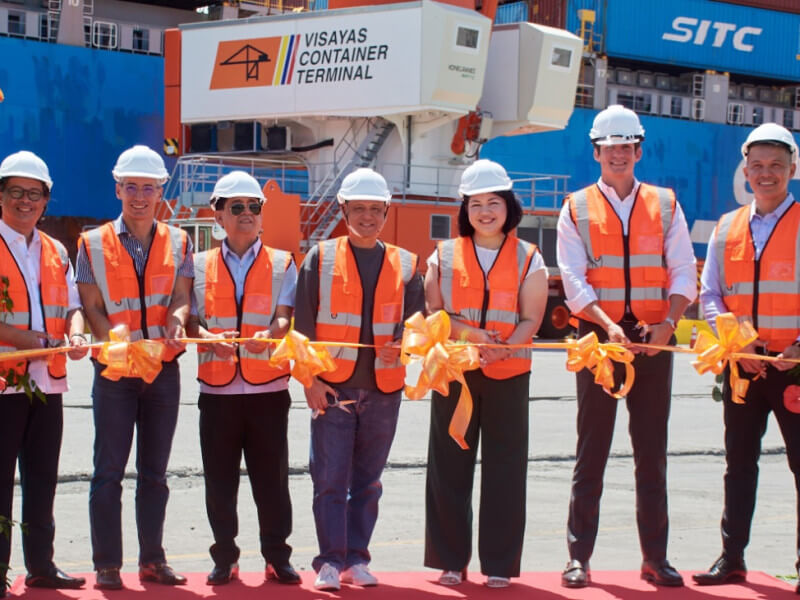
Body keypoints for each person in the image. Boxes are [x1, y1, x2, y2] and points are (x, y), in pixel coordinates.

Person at [556, 105, 697, 588]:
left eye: (626, 146)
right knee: (590, 449)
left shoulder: (666, 205)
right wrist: (604, 324)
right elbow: (573, 279)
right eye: (608, 146)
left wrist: (670, 323)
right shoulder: (574, 207)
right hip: (599, 339)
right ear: (595, 152)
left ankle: (655, 558)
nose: (617, 154)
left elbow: (683, 270)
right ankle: (578, 557)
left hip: (654, 337)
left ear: (638, 150)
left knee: (651, 451)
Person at [294, 168, 424, 591]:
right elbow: (303, 328)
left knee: (367, 483)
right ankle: (329, 562)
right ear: (343, 209)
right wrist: (310, 382)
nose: (367, 216)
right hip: (333, 388)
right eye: (359, 208)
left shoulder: (406, 264)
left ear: (386, 211)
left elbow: (418, 326)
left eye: (375, 209)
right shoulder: (320, 257)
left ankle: (357, 559)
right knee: (329, 481)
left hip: (385, 390)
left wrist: (404, 341)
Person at [423, 159, 548, 588]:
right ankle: (450, 559)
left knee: (506, 468)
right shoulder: (442, 255)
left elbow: (533, 318)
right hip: (456, 372)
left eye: (494, 202)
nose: (485, 212)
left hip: (509, 373)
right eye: (476, 204)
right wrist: (471, 333)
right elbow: (435, 311)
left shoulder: (530, 257)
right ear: (465, 209)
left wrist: (503, 348)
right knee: (449, 464)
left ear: (508, 207)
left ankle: (498, 562)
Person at [76, 145, 192, 590]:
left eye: (148, 187)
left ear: (161, 190)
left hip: (162, 370)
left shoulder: (178, 241)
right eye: (131, 187)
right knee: (108, 470)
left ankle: (152, 560)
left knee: (155, 473)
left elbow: (181, 298)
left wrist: (177, 322)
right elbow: (90, 305)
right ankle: (107, 563)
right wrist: (113, 339)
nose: (140, 196)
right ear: (117, 189)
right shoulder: (91, 242)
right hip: (116, 373)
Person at [694, 123, 800, 591]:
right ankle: (731, 557)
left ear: (792, 170)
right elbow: (710, 294)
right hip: (744, 367)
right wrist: (740, 341)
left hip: (796, 366)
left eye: (776, 165)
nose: (766, 174)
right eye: (757, 166)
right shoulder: (726, 227)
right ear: (745, 170)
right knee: (738, 463)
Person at [187, 171, 300, 586]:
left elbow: (285, 316)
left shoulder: (284, 262)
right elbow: (190, 321)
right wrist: (205, 338)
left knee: (273, 480)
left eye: (254, 207)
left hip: (268, 389)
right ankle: (225, 557)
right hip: (217, 392)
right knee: (219, 481)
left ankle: (276, 555)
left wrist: (274, 334)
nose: (247, 214)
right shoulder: (197, 265)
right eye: (237, 207)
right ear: (218, 215)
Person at [0, 151, 88, 597]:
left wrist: (75, 334)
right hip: (4, 385)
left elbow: (72, 306)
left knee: (42, 482)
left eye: (33, 193)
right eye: (15, 191)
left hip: (46, 385)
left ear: (46, 201)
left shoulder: (55, 249)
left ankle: (41, 566)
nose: (24, 201)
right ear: (1, 195)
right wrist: (25, 340)